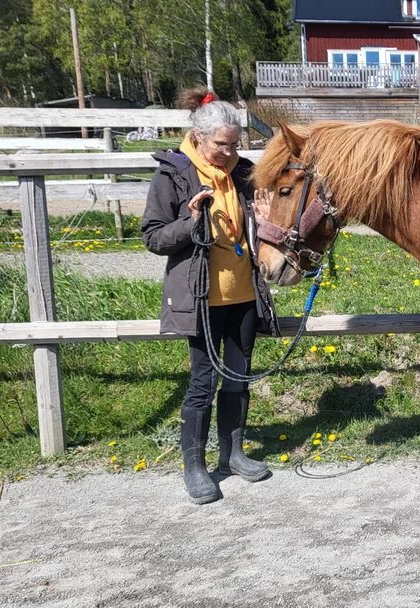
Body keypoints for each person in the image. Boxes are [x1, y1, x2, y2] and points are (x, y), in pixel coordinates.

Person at [141, 87, 280, 504]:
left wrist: (266, 221)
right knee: (203, 382)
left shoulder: (242, 172)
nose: (229, 151)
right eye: (222, 144)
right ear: (199, 137)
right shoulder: (173, 173)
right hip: (201, 300)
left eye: (235, 144)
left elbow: (262, 230)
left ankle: (234, 454)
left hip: (244, 295)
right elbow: (152, 237)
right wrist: (191, 221)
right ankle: (195, 467)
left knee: (239, 377)